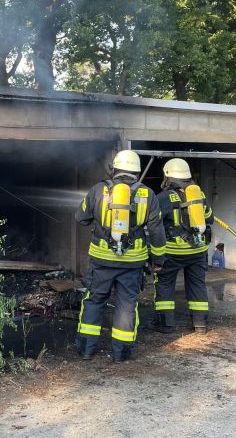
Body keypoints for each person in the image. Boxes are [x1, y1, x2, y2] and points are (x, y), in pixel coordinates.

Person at [74, 150, 167, 362]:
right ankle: (120, 353)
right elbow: (156, 231)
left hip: (101, 261)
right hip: (132, 263)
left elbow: (81, 217)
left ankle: (86, 350)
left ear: (114, 168)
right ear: (137, 171)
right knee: (126, 305)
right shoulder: (147, 194)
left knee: (94, 301)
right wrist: (158, 259)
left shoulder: (99, 190)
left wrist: (100, 217)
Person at [151, 158, 214, 334]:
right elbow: (209, 218)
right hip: (198, 250)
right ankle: (200, 324)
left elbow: (154, 223)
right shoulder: (199, 194)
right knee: (197, 285)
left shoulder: (163, 197)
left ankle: (165, 324)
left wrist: (154, 254)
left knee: (165, 284)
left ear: (168, 176)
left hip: (172, 252)